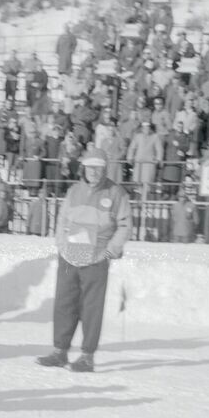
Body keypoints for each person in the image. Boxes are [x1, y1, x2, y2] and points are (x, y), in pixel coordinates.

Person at [36, 155, 131, 372]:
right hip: (70, 256)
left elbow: (124, 225)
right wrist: (61, 245)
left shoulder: (116, 193)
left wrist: (110, 251)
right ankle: (60, 351)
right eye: (90, 168)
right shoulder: (74, 191)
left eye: (98, 168)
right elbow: (61, 220)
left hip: (96, 257)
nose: (94, 172)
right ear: (83, 168)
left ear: (105, 169)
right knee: (64, 304)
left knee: (91, 308)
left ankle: (87, 356)